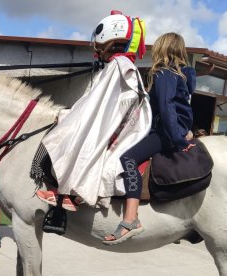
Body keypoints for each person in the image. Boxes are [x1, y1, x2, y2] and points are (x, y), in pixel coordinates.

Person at [36, 11, 150, 211]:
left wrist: (65, 115)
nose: (97, 49)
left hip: (117, 127)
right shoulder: (125, 64)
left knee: (74, 138)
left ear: (106, 39)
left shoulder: (116, 65)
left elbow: (94, 104)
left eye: (98, 44)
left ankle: (69, 194)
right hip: (125, 125)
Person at [103, 32, 196, 244]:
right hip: (175, 130)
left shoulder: (163, 73)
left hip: (164, 132)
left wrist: (180, 140)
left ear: (162, 48)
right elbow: (184, 107)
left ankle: (130, 219)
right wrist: (186, 131)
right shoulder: (185, 75)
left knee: (127, 158)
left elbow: (167, 108)